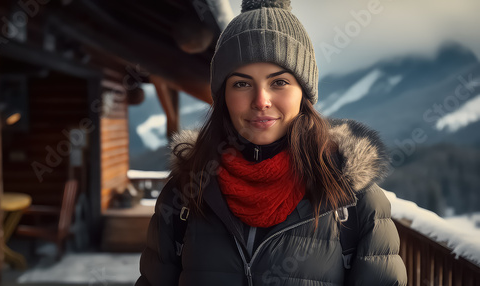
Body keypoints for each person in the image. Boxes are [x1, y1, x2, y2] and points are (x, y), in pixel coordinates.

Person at [135, 0, 407, 285]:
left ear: (304, 93)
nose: (261, 101)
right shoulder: (185, 193)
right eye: (241, 83)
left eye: (279, 83)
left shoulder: (353, 200)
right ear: (223, 96)